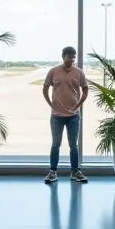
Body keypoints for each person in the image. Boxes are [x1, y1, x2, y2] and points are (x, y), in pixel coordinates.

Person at [42, 46, 89, 185]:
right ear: (63, 56)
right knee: (55, 144)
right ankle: (53, 172)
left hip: (73, 116)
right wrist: (50, 104)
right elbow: (45, 88)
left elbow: (85, 90)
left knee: (73, 145)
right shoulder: (53, 71)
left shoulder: (79, 72)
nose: (72, 59)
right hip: (56, 116)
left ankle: (75, 172)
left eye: (74, 57)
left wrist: (79, 104)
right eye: (69, 56)